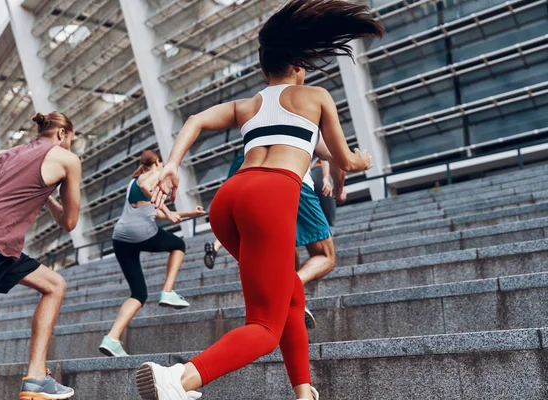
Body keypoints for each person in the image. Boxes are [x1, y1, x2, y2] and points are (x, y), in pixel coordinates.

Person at [136, 1, 382, 399]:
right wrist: (363, 160)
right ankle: (179, 379)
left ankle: (304, 392)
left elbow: (196, 120)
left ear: (264, 68)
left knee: (289, 293)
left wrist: (172, 165)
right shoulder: (316, 97)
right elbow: (345, 159)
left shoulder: (249, 104)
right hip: (271, 198)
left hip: (230, 199)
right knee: (265, 327)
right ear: (299, 65)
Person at [0, 112, 81, 400]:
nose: (70, 145)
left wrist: (42, 192)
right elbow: (69, 222)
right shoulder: (66, 159)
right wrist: (50, 195)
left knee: (54, 285)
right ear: (62, 134)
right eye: (72, 139)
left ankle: (35, 379)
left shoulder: (9, 155)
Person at [204, 147, 345, 330]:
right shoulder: (309, 118)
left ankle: (283, 304)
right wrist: (341, 185)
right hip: (292, 180)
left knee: (287, 250)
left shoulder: (254, 120)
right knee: (326, 256)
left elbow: (196, 121)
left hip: (250, 187)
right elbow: (338, 156)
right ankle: (287, 292)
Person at [99, 150, 205, 357]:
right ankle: (167, 291)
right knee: (178, 245)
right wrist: (168, 211)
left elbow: (152, 211)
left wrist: (189, 213)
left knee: (138, 294)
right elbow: (147, 188)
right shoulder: (154, 174)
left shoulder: (132, 183)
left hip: (121, 238)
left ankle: (111, 338)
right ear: (157, 162)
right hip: (141, 233)